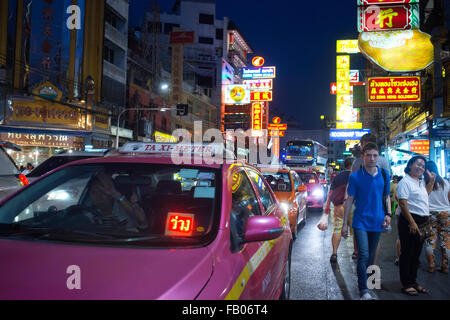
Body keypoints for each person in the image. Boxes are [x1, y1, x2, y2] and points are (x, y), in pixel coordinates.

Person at [342, 143, 391, 300]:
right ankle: (363, 290)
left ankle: (370, 286)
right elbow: (349, 200)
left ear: (379, 157)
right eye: (368, 155)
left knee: (371, 256)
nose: (372, 158)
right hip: (360, 221)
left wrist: (388, 214)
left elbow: (386, 196)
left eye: (375, 155)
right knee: (363, 254)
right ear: (362, 157)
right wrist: (344, 224)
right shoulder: (355, 176)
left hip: (377, 221)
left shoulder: (384, 174)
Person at [396, 156, 436, 296]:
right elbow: (402, 202)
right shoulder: (405, 182)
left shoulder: (419, 182)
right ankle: (406, 284)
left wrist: (431, 181)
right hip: (410, 220)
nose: (421, 167)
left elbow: (426, 195)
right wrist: (412, 222)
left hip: (422, 221)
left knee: (416, 254)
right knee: (407, 253)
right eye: (418, 164)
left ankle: (413, 281)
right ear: (410, 165)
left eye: (423, 166)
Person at [349, 133, 391, 261]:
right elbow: (351, 183)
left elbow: (386, 186)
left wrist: (388, 212)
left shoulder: (382, 161)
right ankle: (361, 255)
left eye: (364, 144)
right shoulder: (357, 162)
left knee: (374, 240)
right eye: (362, 145)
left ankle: (372, 264)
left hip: (378, 207)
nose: (363, 147)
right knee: (359, 232)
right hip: (361, 205)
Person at [320, 158, 354, 263]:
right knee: (355, 231)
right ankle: (356, 253)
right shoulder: (356, 176)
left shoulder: (338, 177)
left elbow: (331, 192)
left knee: (337, 228)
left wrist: (327, 206)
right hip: (353, 207)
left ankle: (334, 253)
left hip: (339, 206)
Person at [423, 160, 449, 274]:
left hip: (430, 214)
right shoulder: (446, 182)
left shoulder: (424, 182)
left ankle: (431, 265)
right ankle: (445, 266)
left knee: (430, 239)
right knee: (446, 240)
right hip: (446, 214)